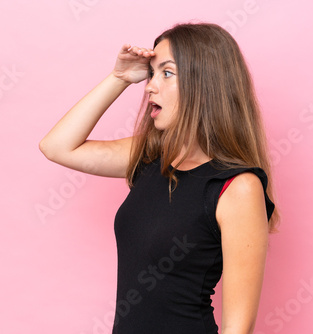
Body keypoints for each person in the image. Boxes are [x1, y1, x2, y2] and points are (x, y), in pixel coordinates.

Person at [40, 22, 279, 334]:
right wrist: (119, 78)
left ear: (203, 83)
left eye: (167, 73)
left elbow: (239, 328)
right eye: (151, 73)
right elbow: (57, 147)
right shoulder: (151, 159)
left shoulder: (238, 187)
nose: (150, 85)